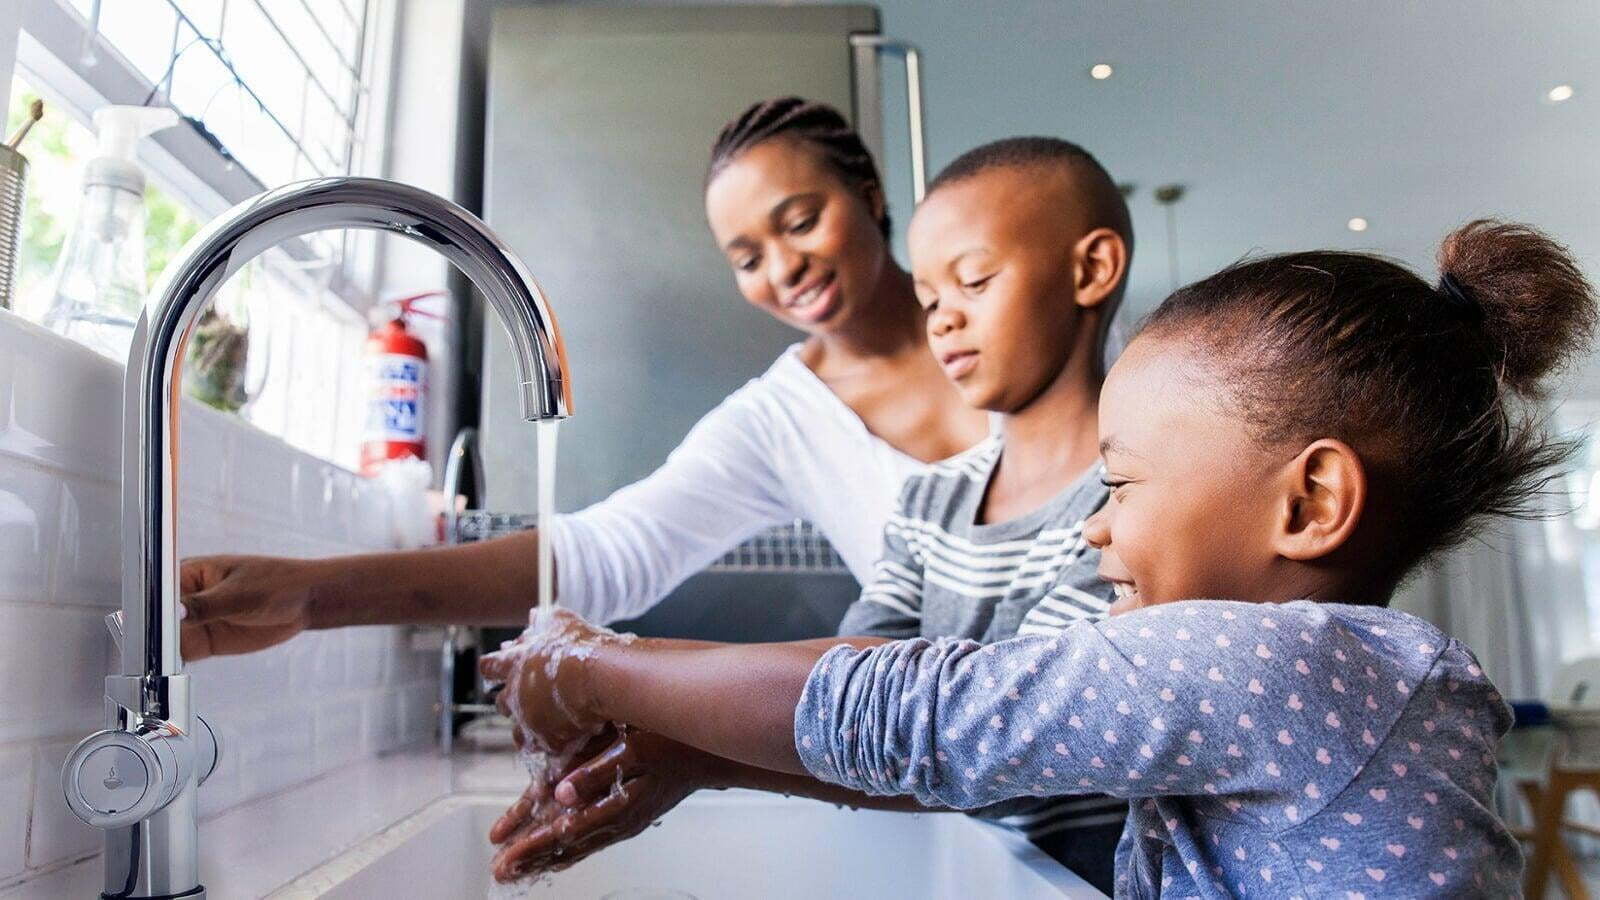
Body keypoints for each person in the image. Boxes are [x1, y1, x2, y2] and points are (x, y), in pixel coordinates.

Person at [486, 219, 1596, 896]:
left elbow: (922, 712)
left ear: (1308, 502)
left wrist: (590, 663)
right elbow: (995, 755)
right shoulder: (1321, 678)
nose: (1094, 526)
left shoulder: (1282, 665)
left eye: (1120, 485)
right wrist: (702, 756)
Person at [485, 137, 1136, 890]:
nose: (944, 321)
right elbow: (859, 697)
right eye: (929, 298)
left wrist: (601, 669)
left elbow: (983, 731)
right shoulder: (931, 504)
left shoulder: (1135, 504)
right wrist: (694, 755)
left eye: (975, 282)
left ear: (1091, 270)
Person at [177, 96, 987, 658]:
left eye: (801, 221)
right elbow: (603, 554)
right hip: (996, 788)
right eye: (747, 258)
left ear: (870, 195)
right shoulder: (777, 423)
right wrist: (314, 596)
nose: (785, 268)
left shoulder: (998, 311)